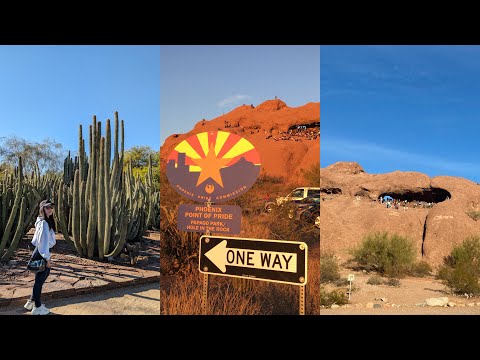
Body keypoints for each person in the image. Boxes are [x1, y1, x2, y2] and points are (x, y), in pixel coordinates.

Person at [24, 199, 56, 315]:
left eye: (51, 207)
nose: (50, 209)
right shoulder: (44, 223)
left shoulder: (43, 221)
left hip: (41, 252)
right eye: (47, 207)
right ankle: (37, 307)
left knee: (40, 279)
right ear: (42, 209)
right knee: (40, 280)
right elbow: (43, 243)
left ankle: (31, 302)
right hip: (42, 253)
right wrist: (47, 259)